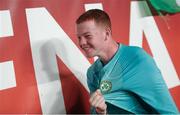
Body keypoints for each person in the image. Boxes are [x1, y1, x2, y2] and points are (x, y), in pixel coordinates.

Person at [75, 9, 179, 114]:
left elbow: (168, 111)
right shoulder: (92, 73)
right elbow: (96, 112)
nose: (82, 42)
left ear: (106, 34)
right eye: (79, 37)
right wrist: (101, 112)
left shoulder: (137, 59)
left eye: (87, 36)